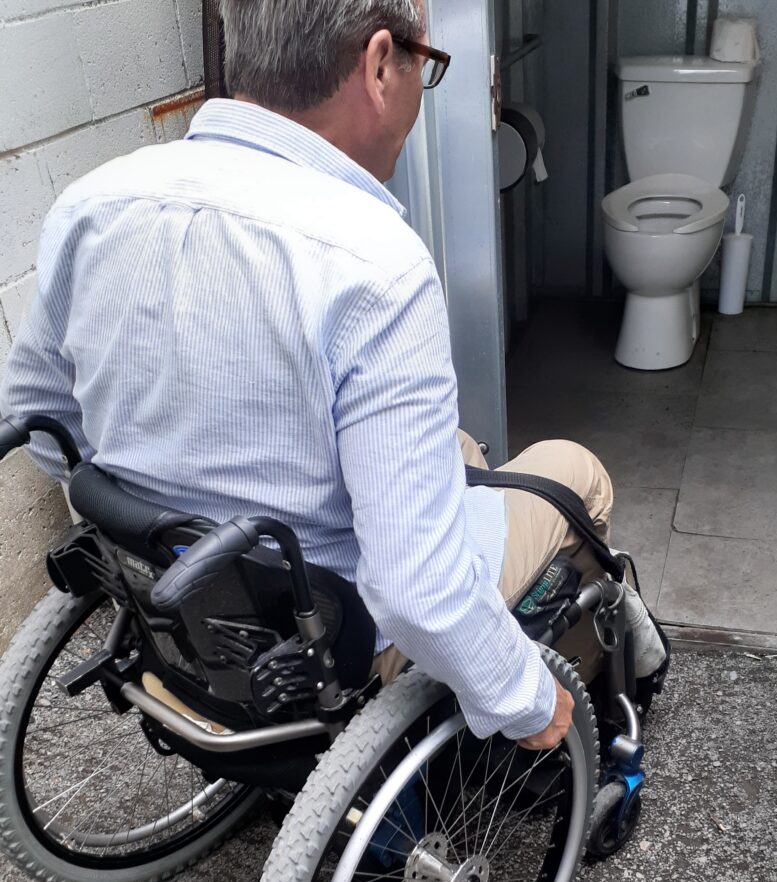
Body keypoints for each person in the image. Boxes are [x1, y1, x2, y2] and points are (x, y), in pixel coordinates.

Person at [0, 0, 665, 750]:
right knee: (573, 472)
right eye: (426, 64)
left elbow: (44, 431)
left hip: (178, 604)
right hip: (333, 632)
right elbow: (418, 592)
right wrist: (521, 698)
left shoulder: (90, 203)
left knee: (456, 448)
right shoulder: (373, 261)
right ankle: (609, 681)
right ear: (382, 64)